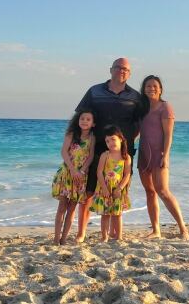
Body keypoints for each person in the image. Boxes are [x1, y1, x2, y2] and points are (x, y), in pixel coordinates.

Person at [75, 58, 143, 242]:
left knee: (117, 191)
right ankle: (81, 233)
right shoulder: (95, 91)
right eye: (118, 67)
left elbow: (139, 123)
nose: (122, 71)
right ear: (110, 70)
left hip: (122, 153)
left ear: (129, 74)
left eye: (125, 69)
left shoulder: (135, 96)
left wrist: (126, 140)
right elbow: (81, 116)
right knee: (89, 191)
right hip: (95, 148)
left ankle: (114, 234)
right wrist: (75, 140)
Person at [138, 75, 189, 240]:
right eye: (148, 86)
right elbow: (140, 132)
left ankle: (183, 228)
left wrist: (165, 155)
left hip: (159, 154)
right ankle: (156, 230)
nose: (151, 89)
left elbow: (168, 135)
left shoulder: (165, 107)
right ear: (143, 89)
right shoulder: (142, 108)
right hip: (144, 155)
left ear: (160, 89)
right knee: (150, 192)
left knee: (163, 191)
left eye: (154, 86)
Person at [50, 109, 96, 245]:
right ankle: (55, 239)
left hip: (81, 177)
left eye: (88, 119)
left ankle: (64, 239)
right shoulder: (71, 134)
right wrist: (73, 169)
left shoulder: (92, 137)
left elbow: (91, 156)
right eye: (82, 118)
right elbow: (64, 152)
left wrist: (81, 171)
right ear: (78, 120)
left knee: (71, 209)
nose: (84, 121)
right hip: (67, 173)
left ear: (93, 124)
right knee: (62, 207)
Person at [90, 126, 132, 242]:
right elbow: (99, 171)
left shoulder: (126, 157)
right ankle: (104, 237)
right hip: (105, 187)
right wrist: (103, 187)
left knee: (117, 214)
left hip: (118, 189)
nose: (110, 143)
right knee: (105, 214)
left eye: (113, 139)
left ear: (121, 139)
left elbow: (127, 174)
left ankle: (119, 237)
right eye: (107, 141)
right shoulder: (105, 155)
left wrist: (120, 188)